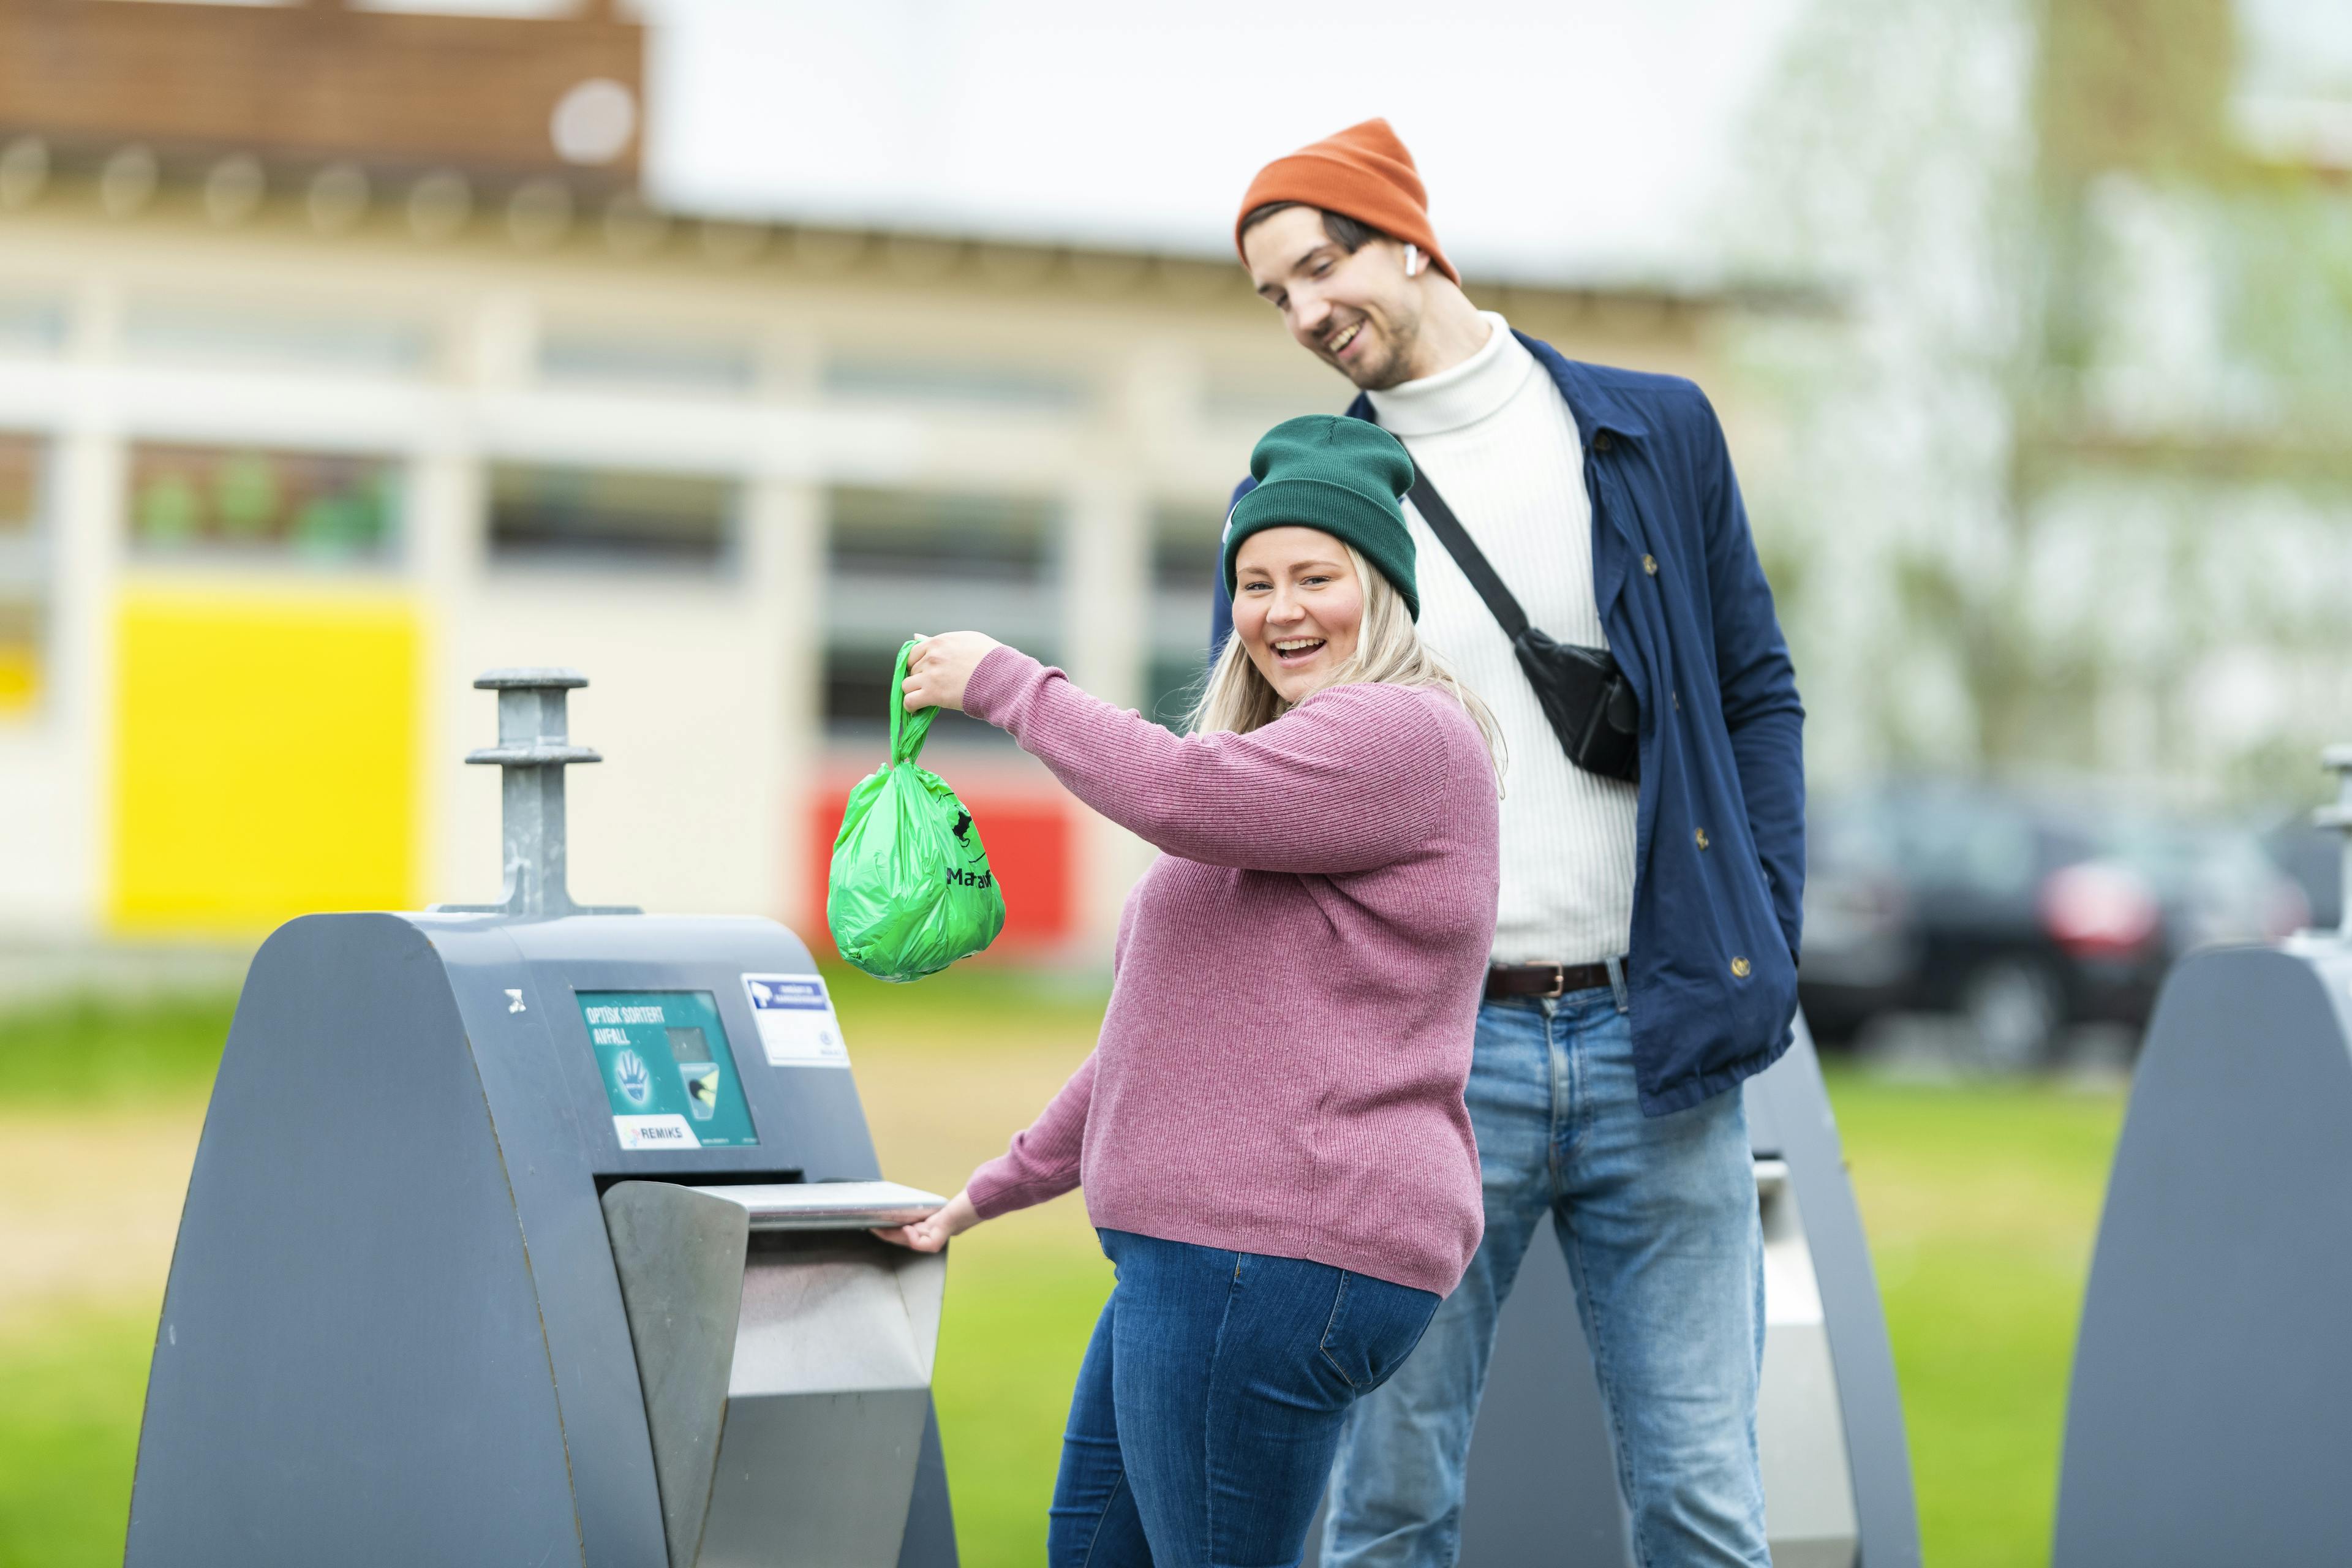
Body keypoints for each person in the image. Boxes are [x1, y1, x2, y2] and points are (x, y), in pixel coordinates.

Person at [1219, 120, 1806, 1568]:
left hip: (1650, 1041)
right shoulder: (1307, 477)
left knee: (1703, 1500)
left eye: (1323, 265)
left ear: (1410, 237)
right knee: (1388, 1506)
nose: (1305, 314)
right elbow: (1251, 774)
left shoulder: (1649, 429)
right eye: (1275, 296)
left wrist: (1763, 917)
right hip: (1422, 1067)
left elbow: (1756, 693)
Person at [876, 414, 1506, 1568]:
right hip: (1199, 1256)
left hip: (1266, 1255)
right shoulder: (1277, 786)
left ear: (1384, 591)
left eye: (1317, 576)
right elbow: (1157, 1043)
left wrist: (1008, 685)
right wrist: (988, 1193)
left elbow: (1173, 789)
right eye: (1254, 581)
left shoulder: (1403, 738)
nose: (1280, 610)